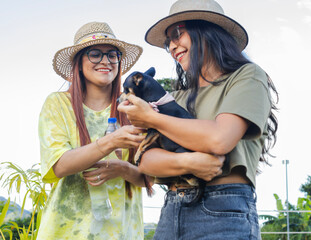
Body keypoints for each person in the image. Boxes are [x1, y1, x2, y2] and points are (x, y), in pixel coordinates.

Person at [117, 0, 279, 239]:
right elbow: (146, 161)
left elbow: (220, 139)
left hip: (224, 209)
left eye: (177, 34)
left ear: (207, 30)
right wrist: (191, 163)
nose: (172, 46)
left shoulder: (247, 76)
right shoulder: (175, 96)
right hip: (171, 208)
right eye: (167, 43)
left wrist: (153, 119)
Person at [37, 21, 147, 239]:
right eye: (95, 54)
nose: (105, 61)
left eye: (112, 55)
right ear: (79, 63)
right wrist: (111, 141)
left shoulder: (137, 108)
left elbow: (152, 177)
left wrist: (123, 169)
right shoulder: (58, 104)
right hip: (67, 231)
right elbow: (59, 165)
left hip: (122, 232)